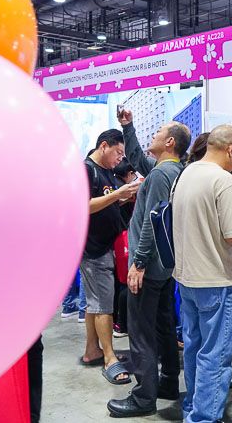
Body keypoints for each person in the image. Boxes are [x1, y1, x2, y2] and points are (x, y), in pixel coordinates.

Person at [107, 120, 192, 418]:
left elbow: (151, 222)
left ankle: (144, 396)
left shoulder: (159, 175)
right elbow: (137, 158)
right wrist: (128, 127)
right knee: (163, 326)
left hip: (149, 266)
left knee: (141, 332)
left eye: (157, 133)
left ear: (170, 142)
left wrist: (139, 262)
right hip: (165, 267)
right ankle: (167, 382)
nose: (153, 135)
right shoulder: (174, 171)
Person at [173, 125, 232, 423]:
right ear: (231, 149)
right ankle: (203, 418)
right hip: (217, 280)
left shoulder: (186, 174)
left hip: (187, 278)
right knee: (216, 355)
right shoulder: (224, 181)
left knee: (194, 348)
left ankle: (193, 408)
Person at [81, 129, 141, 385]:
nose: (120, 159)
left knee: (95, 303)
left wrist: (122, 197)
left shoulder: (105, 171)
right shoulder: (86, 170)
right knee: (104, 305)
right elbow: (82, 206)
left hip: (105, 247)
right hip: (94, 248)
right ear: (104, 146)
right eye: (117, 152)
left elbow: (104, 204)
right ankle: (109, 358)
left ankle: (92, 350)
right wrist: (117, 194)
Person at [112, 159, 138, 338]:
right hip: (123, 239)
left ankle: (119, 322)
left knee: (121, 282)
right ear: (129, 174)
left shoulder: (115, 186)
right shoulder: (123, 190)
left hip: (119, 238)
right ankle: (121, 325)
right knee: (124, 282)